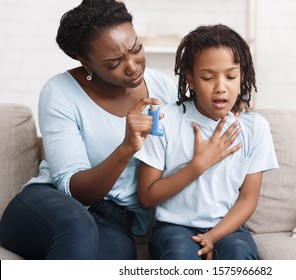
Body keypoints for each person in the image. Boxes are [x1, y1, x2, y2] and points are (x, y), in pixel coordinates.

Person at [0, 0, 179, 260]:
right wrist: (126, 148)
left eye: (136, 48)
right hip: (51, 204)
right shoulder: (60, 91)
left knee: (118, 256)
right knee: (78, 227)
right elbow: (75, 191)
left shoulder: (162, 87)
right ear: (86, 62)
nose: (132, 65)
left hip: (115, 220)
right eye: (113, 62)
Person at [135, 24, 279, 260]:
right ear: (190, 78)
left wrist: (213, 236)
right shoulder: (165, 119)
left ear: (242, 76)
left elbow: (248, 199)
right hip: (174, 228)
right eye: (208, 77)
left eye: (231, 76)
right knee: (180, 256)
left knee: (240, 255)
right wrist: (198, 165)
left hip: (229, 228)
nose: (221, 87)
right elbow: (147, 196)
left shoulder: (254, 127)